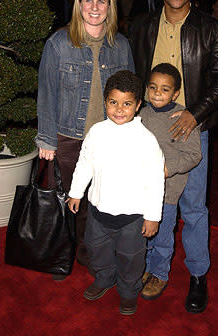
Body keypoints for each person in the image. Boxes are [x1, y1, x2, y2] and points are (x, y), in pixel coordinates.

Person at [129, 0, 218, 313]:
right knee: (151, 202)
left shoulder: (211, 28)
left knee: (193, 207)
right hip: (149, 129)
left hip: (192, 129)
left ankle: (198, 275)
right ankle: (152, 269)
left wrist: (195, 113)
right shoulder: (142, 27)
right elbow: (134, 76)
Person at [35, 0, 135, 280]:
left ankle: (89, 254)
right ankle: (61, 255)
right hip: (67, 137)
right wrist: (47, 139)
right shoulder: (58, 43)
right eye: (88, 0)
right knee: (66, 202)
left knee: (98, 202)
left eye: (101, 1)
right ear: (79, 4)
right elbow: (46, 92)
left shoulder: (121, 45)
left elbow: (130, 93)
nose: (94, 7)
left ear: (110, 6)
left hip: (107, 139)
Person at [67, 70, 165, 315]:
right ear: (105, 102)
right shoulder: (97, 132)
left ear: (138, 105)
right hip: (99, 211)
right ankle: (104, 278)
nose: (119, 109)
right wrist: (76, 192)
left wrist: (153, 216)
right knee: (96, 248)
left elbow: (155, 180)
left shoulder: (146, 140)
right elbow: (85, 162)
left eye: (127, 103)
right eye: (113, 102)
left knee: (131, 259)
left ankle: (129, 291)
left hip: (132, 217)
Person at [139, 63, 202, 300]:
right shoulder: (141, 114)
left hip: (167, 192)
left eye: (164, 89)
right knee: (142, 234)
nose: (157, 93)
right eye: (153, 87)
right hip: (140, 190)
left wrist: (168, 168)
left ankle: (159, 273)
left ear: (175, 94)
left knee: (162, 235)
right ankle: (144, 267)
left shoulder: (183, 118)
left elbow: (194, 154)